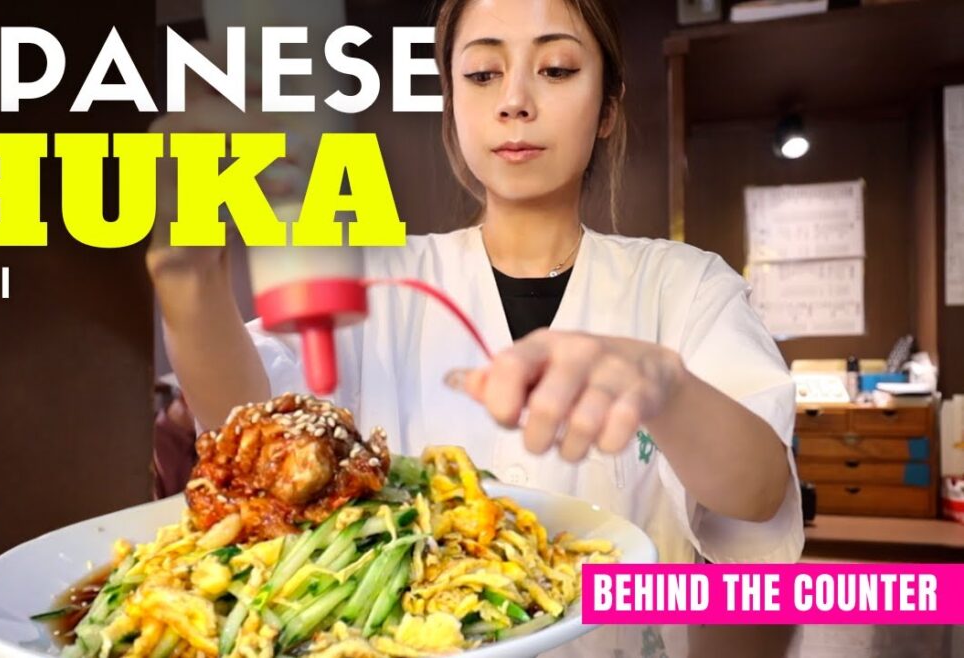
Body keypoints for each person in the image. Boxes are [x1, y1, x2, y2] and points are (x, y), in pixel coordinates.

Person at [148, 0, 802, 654]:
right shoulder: (377, 276)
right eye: (483, 73)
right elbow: (250, 424)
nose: (514, 100)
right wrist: (187, 276)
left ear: (607, 108)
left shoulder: (685, 287)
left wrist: (668, 388)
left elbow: (757, 493)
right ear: (452, 102)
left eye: (555, 68)